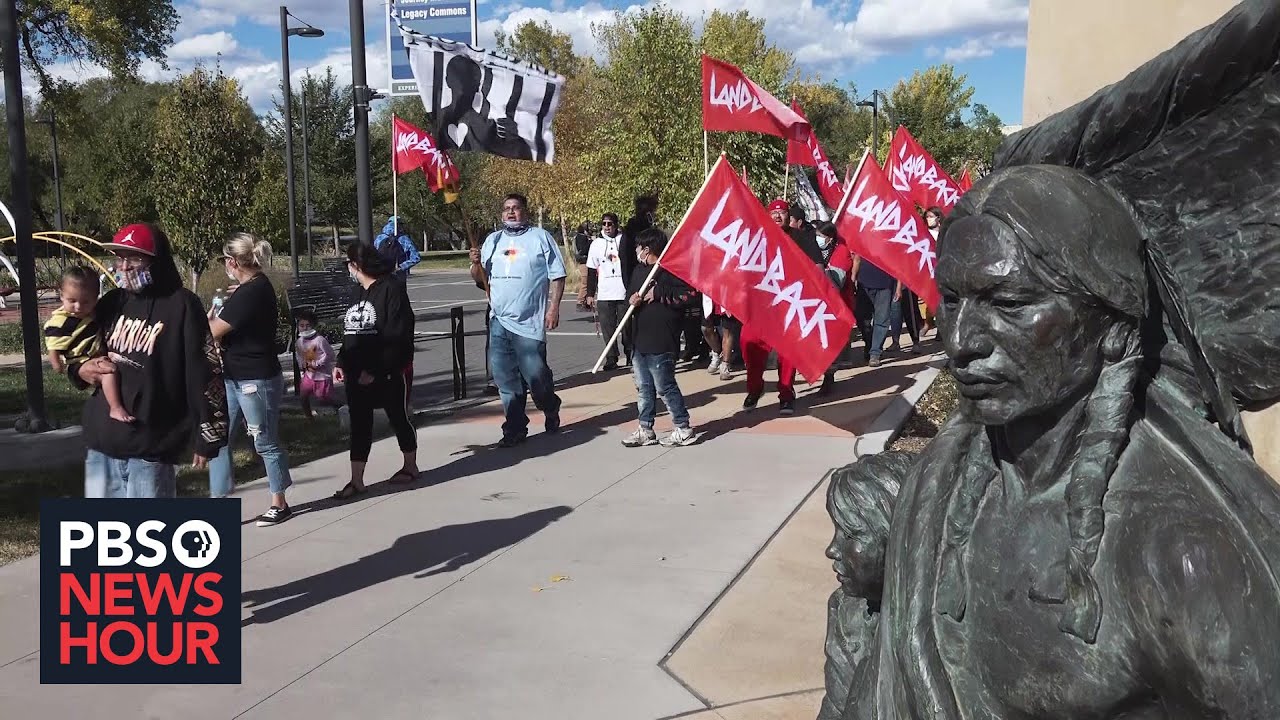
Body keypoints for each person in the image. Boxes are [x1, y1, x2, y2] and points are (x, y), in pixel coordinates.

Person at [67, 223, 228, 498]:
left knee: (148, 534)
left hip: (151, 443)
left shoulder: (181, 305)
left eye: (134, 258)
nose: (124, 266)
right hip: (102, 442)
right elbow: (79, 350)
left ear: (156, 262)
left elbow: (203, 370)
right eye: (119, 258)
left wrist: (207, 435)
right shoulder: (111, 302)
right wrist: (79, 370)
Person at [205, 233, 294, 524]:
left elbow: (214, 331)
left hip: (256, 379)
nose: (225, 267)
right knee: (220, 438)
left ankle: (279, 502)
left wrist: (204, 320)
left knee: (264, 440)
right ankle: (218, 499)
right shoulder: (248, 289)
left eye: (226, 262)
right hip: (234, 376)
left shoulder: (251, 293)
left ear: (233, 262)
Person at [468, 193, 565, 447]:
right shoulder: (493, 240)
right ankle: (515, 428)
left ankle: (550, 405)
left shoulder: (540, 238)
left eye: (516, 208)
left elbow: (558, 276)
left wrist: (553, 308)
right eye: (507, 209)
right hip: (498, 320)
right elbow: (480, 279)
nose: (511, 213)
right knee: (506, 379)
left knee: (536, 377)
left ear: (526, 212)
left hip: (529, 322)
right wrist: (476, 264)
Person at [332, 242, 419, 499]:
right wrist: (341, 362)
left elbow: (398, 334)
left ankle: (410, 465)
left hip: (387, 371)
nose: (348, 269)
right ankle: (356, 480)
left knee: (398, 417)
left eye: (348, 264)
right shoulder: (356, 292)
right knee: (360, 424)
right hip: (356, 373)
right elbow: (351, 332)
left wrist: (378, 369)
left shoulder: (391, 289)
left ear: (357, 266)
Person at [621, 227, 698, 448]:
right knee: (644, 387)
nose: (636, 251)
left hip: (662, 339)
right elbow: (631, 295)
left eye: (639, 247)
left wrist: (660, 293)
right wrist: (633, 299)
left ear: (647, 249)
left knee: (664, 385)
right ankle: (645, 428)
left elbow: (690, 295)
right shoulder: (638, 271)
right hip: (639, 339)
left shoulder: (670, 270)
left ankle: (683, 427)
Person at [741, 199, 811, 415]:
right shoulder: (757, 238)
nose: (778, 216)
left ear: (789, 216)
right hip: (761, 307)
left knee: (787, 353)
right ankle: (755, 388)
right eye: (774, 213)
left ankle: (786, 395)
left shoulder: (801, 238)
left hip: (788, 305)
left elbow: (815, 268)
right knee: (748, 343)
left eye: (782, 212)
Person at [44, 266, 132, 423]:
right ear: (61, 296)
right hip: (81, 358)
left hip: (95, 353)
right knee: (109, 374)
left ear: (96, 299)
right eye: (72, 301)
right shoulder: (60, 322)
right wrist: (56, 363)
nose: (78, 307)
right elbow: (53, 346)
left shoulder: (92, 313)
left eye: (85, 302)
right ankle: (116, 407)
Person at [584, 212, 629, 369]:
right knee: (608, 328)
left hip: (623, 291)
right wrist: (589, 294)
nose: (607, 227)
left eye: (610, 223)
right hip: (605, 293)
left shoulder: (624, 240)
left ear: (616, 225)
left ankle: (630, 354)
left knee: (627, 325)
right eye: (604, 224)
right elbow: (591, 271)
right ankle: (611, 357)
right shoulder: (596, 244)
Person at [816, 222, 855, 395]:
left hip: (837, 305)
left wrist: (822, 272)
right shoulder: (816, 251)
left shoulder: (841, 252)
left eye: (821, 236)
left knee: (830, 345)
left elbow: (836, 283)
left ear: (830, 238)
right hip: (817, 306)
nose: (818, 240)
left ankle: (828, 379)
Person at [850, 255, 894, 367]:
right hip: (864, 284)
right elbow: (857, 258)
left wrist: (898, 287)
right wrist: (853, 278)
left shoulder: (890, 239)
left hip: (884, 284)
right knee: (862, 319)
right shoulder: (864, 239)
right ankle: (869, 344)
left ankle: (875, 353)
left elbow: (897, 263)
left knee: (881, 320)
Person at [294, 309, 336, 419]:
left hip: (322, 376)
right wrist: (302, 364)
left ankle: (338, 409)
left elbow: (330, 354)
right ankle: (309, 418)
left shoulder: (319, 340)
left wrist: (318, 363)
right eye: (301, 325)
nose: (304, 328)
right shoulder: (299, 341)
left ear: (313, 326)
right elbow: (299, 355)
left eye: (308, 325)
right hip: (308, 375)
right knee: (303, 395)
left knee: (323, 397)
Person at [374, 215, 421, 282]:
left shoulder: (379, 238)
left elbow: (373, 256)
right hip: (398, 276)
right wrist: (402, 267)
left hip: (381, 274)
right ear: (398, 225)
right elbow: (416, 257)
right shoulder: (404, 239)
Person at [573, 221, 592, 310]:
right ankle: (580, 302)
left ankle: (584, 302)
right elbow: (584, 249)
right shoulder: (581, 238)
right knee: (585, 282)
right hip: (584, 262)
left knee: (587, 282)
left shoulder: (579, 237)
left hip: (583, 262)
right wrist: (591, 241)